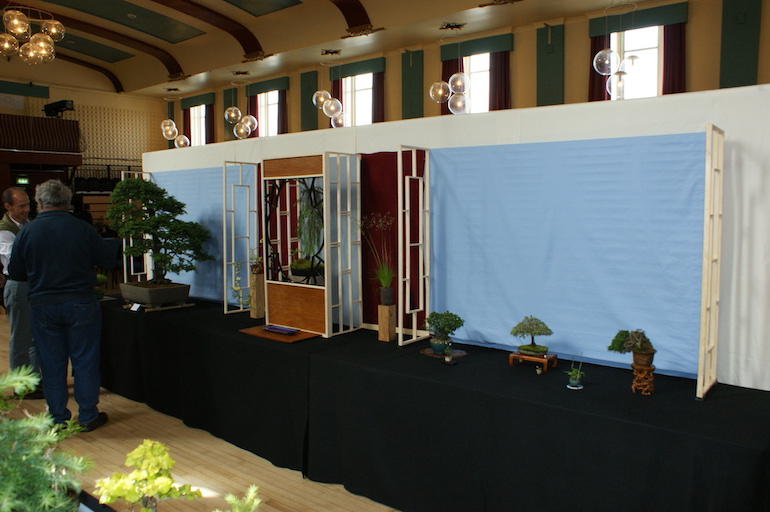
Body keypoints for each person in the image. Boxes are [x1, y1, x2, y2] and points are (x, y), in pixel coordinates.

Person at [8, 180, 119, 432]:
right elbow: (107, 259)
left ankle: (58, 419)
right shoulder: (83, 228)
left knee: (51, 364)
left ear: (39, 202)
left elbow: (16, 272)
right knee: (85, 360)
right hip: (81, 302)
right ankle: (88, 415)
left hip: (43, 305)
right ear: (67, 202)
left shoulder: (27, 232)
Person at [0, 187, 43, 398]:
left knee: (35, 336)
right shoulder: (4, 231)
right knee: (20, 339)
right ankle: (20, 386)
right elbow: (14, 259)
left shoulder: (27, 224)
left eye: (28, 205)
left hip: (34, 285)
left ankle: (34, 380)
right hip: (18, 286)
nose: (26, 209)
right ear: (7, 207)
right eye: (21, 206)